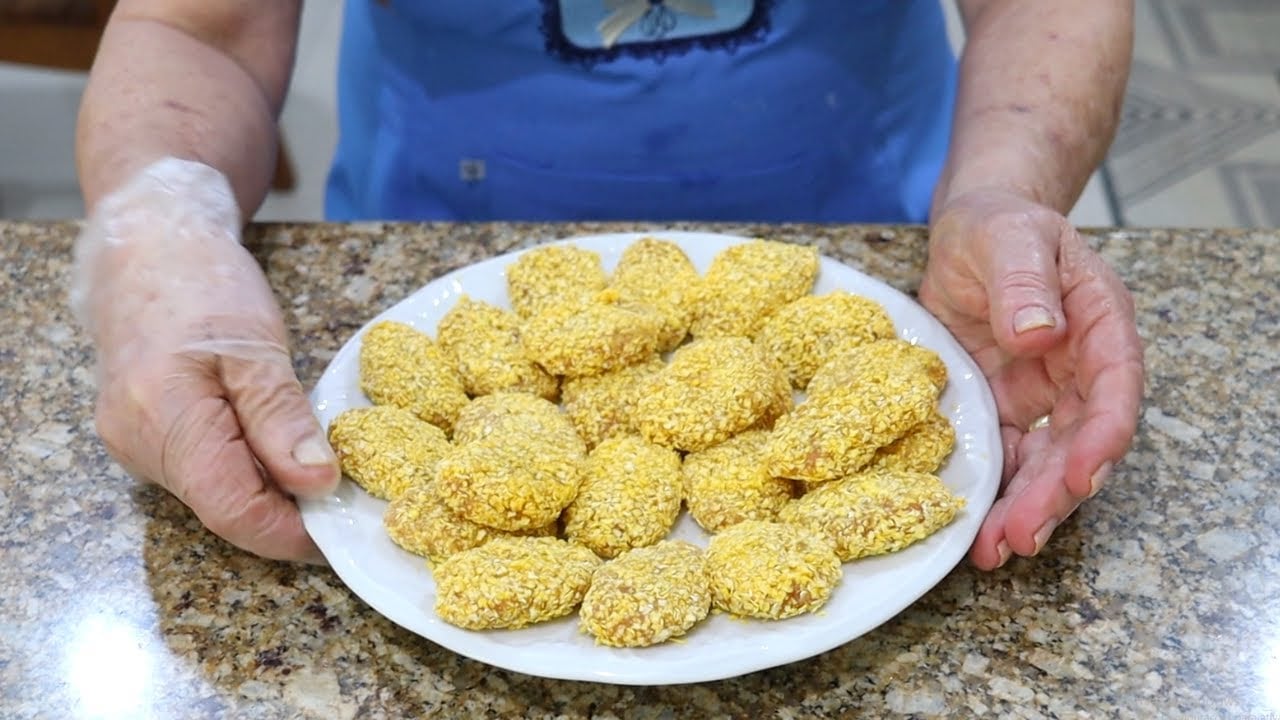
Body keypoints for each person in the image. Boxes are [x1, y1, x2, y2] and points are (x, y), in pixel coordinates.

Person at [69, 0, 1144, 571]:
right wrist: (161, 242)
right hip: (435, 257)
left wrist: (1001, 197)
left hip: (877, 249)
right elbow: (194, 28)